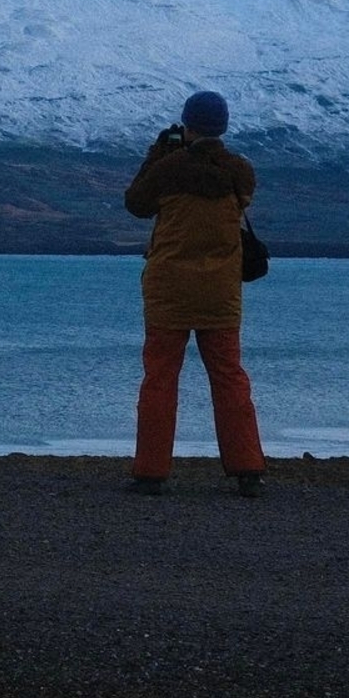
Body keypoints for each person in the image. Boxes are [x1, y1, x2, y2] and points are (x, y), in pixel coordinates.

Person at [122, 89, 265, 498]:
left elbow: (136, 203)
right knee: (229, 377)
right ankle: (247, 469)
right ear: (223, 126)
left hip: (169, 290)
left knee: (160, 378)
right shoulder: (240, 171)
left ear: (188, 125)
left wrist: (158, 154)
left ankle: (151, 472)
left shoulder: (169, 169)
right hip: (221, 291)